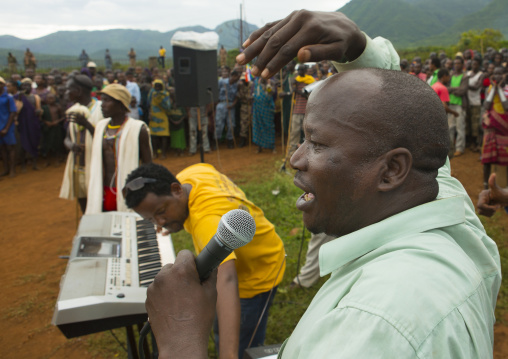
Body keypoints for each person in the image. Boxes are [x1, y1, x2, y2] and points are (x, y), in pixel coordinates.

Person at [144, 10, 501, 359]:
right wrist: (359, 51)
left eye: (316, 143)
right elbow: (403, 128)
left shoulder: (377, 322)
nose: (296, 159)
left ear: (391, 171)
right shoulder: (442, 211)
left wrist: (181, 341)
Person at [124, 162, 286, 358]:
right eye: (151, 219)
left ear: (176, 190)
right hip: (264, 247)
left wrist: (228, 355)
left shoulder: (206, 220)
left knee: (243, 341)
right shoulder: (192, 174)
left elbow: (226, 280)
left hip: (256, 274)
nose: (160, 223)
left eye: (160, 212)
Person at [85, 84, 152, 214]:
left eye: (107, 100)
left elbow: (148, 166)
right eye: (101, 100)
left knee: (128, 229)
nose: (102, 105)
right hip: (102, 191)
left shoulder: (138, 130)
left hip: (129, 192)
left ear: (121, 104)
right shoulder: (100, 127)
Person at [60, 74, 104, 213]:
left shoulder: (101, 109)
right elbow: (67, 137)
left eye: (69, 89)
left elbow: (107, 139)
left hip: (96, 165)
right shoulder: (74, 109)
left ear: (78, 91)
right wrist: (71, 145)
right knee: (83, 203)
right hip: (78, 165)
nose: (66, 93)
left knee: (98, 202)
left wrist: (87, 125)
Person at [480, 66, 508, 189]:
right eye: (495, 73)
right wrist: (494, 89)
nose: (497, 76)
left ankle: (504, 186)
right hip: (491, 127)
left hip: (504, 127)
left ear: (504, 75)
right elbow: (486, 105)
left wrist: (499, 89)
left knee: (505, 158)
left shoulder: (507, 89)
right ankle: (486, 185)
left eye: (500, 74)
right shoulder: (489, 89)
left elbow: (506, 107)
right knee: (487, 158)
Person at [287, 64, 314, 158]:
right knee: (294, 132)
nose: (300, 72)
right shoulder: (296, 80)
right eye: (298, 70)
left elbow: (308, 95)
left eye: (301, 70)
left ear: (305, 71)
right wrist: (292, 84)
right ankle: (291, 151)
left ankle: (309, 152)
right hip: (296, 109)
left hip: (307, 110)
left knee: (307, 132)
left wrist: (297, 91)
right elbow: (290, 90)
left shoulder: (310, 80)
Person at [15, 78, 41, 171]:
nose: (26, 87)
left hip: (33, 122)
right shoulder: (18, 97)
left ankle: (34, 163)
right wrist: (19, 99)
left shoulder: (36, 97)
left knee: (34, 142)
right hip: (23, 123)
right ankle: (23, 165)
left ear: (31, 87)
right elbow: (16, 111)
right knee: (23, 144)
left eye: (28, 85)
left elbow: (39, 109)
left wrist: (39, 112)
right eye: (24, 85)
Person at [447, 57, 469, 157]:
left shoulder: (465, 76)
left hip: (460, 105)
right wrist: (455, 89)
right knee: (451, 127)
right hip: (451, 104)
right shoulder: (451, 75)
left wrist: (452, 90)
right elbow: (446, 89)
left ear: (462, 65)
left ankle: (460, 148)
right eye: (455, 63)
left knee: (460, 128)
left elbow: (462, 91)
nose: (456, 65)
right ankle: (450, 147)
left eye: (458, 63)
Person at [216, 70, 240, 149]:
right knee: (219, 124)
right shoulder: (221, 82)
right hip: (221, 104)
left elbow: (236, 97)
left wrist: (232, 105)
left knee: (231, 125)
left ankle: (230, 140)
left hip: (231, 105)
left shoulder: (236, 85)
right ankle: (217, 141)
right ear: (232, 76)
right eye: (236, 77)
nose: (237, 79)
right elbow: (216, 91)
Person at [147, 79, 171, 158]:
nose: (157, 87)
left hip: (163, 116)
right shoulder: (151, 94)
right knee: (154, 136)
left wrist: (160, 99)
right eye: (156, 86)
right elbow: (149, 104)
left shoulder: (166, 94)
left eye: (159, 86)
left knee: (164, 135)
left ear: (162, 86)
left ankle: (163, 153)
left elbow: (168, 106)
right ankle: (155, 153)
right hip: (154, 116)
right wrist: (149, 113)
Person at [252, 77, 276, 153]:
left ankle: (272, 146)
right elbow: (253, 92)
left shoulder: (271, 82)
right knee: (258, 126)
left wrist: (267, 85)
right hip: (257, 107)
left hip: (267, 108)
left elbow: (271, 92)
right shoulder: (255, 81)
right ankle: (259, 146)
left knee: (269, 126)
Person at [0, 76, 17, 177]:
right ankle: (5, 169)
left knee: (10, 148)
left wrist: (6, 128)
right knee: (2, 149)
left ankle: (12, 170)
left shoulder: (9, 97)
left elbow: (12, 112)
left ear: (3, 85)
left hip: (8, 126)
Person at [466, 58, 484, 151]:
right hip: (467, 102)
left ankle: (475, 143)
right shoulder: (468, 73)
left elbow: (477, 87)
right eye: (473, 64)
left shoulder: (481, 75)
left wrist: (465, 85)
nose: (474, 66)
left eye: (476, 64)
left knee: (475, 124)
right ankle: (469, 142)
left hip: (475, 102)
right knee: (468, 123)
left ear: (479, 65)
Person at [236, 76, 254, 148]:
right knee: (243, 123)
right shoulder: (241, 86)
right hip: (244, 106)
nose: (243, 81)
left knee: (253, 122)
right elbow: (240, 96)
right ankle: (243, 140)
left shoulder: (252, 84)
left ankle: (254, 139)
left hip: (252, 105)